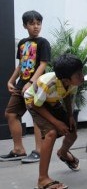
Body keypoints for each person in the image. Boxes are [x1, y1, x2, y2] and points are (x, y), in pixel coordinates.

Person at [24, 54, 84, 189]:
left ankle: (62, 153)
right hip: (34, 101)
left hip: (51, 101)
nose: (82, 77)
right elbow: (36, 105)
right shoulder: (48, 84)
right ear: (66, 79)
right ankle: (42, 180)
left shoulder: (72, 82)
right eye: (78, 74)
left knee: (72, 132)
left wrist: (70, 116)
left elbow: (67, 96)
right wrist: (56, 123)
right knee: (50, 133)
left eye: (81, 72)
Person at [1, 10, 51, 164]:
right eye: (32, 23)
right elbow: (21, 65)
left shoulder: (43, 42)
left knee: (37, 117)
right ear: (25, 25)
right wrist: (11, 81)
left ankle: (39, 151)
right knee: (11, 114)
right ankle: (18, 149)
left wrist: (31, 82)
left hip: (36, 84)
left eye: (38, 23)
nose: (36, 27)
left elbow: (43, 64)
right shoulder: (22, 43)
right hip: (21, 84)